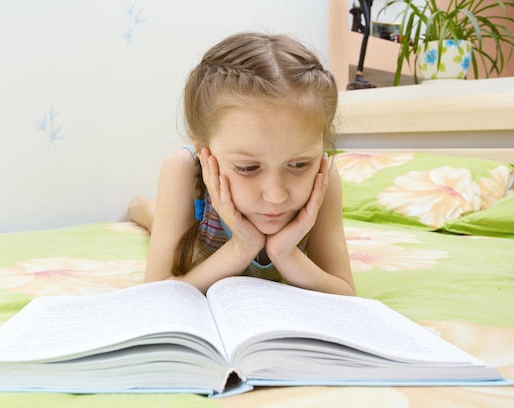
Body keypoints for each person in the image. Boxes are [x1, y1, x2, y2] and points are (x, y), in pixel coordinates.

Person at [127, 32, 355, 296]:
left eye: (299, 164)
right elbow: (155, 293)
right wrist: (241, 247)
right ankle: (141, 209)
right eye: (248, 168)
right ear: (204, 151)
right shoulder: (184, 170)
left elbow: (345, 293)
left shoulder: (323, 178)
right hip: (199, 230)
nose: (276, 195)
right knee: (160, 220)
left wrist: (285, 253)